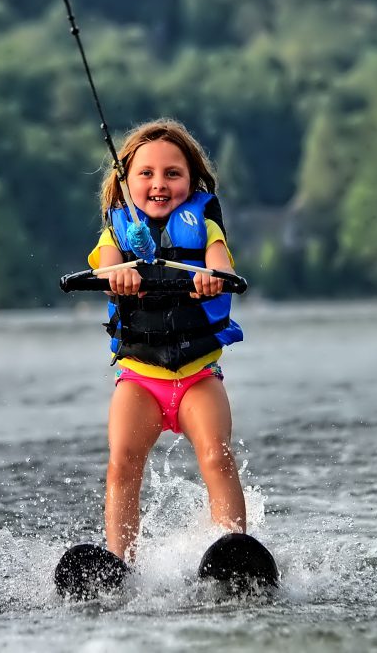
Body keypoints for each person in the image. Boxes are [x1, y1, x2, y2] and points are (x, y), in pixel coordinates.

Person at [86, 118, 246, 562]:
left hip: (198, 377)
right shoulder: (115, 234)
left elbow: (222, 264)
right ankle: (121, 563)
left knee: (217, 457)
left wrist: (215, 279)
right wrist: (115, 275)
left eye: (172, 174)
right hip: (140, 380)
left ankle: (234, 552)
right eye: (147, 173)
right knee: (122, 464)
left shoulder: (206, 228)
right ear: (125, 182)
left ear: (191, 181)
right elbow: (104, 268)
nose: (160, 184)